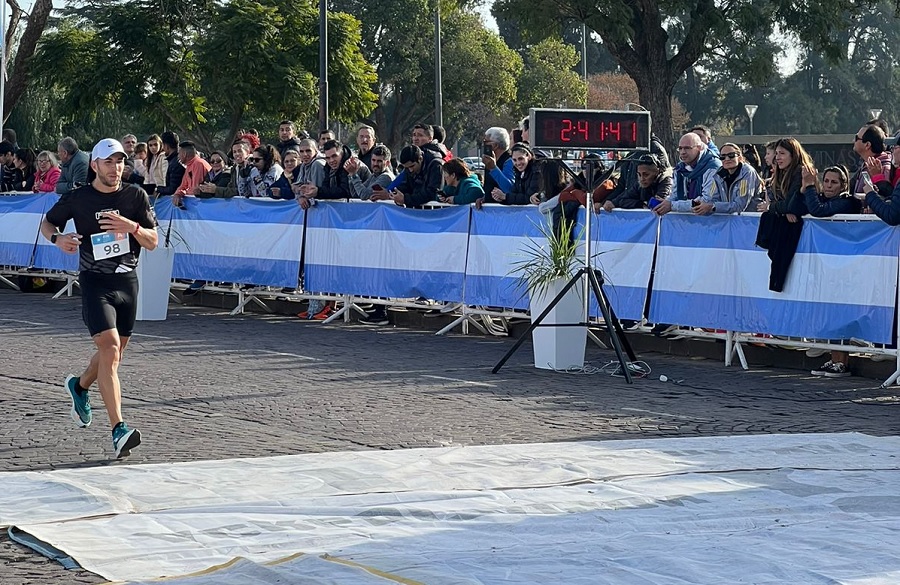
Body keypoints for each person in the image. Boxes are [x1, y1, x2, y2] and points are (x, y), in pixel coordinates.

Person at [39, 138, 159, 458]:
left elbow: (152, 242)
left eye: (120, 161)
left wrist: (130, 226)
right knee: (109, 348)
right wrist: (57, 238)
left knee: (113, 355)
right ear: (94, 165)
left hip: (127, 284)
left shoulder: (135, 195)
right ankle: (119, 429)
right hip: (95, 282)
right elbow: (47, 222)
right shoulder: (78, 198)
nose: (115, 168)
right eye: (108, 162)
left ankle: (79, 386)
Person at [701, 142, 762, 215]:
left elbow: (740, 205)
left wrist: (713, 207)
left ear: (740, 158)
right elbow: (711, 199)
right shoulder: (717, 175)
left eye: (731, 155)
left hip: (749, 220)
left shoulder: (747, 172)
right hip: (730, 221)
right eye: (722, 157)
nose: (727, 159)